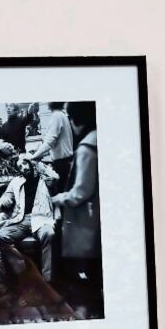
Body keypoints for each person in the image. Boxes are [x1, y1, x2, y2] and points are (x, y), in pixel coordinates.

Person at [0, 157, 57, 281]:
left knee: (49, 234)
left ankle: (47, 280)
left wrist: (37, 162)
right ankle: (23, 269)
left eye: (25, 164)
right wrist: (5, 200)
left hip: (41, 219)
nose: (23, 168)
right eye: (20, 166)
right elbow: (7, 195)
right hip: (21, 220)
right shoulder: (16, 181)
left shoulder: (44, 178)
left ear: (31, 163)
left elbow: (54, 177)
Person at [52, 102, 101, 264]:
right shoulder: (99, 137)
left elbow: (81, 192)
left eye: (71, 119)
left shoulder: (87, 148)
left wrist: (57, 199)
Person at [28, 102, 75, 186]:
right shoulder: (62, 115)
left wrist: (34, 156)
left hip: (61, 163)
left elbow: (50, 142)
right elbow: (56, 142)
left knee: (59, 191)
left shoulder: (57, 116)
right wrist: (41, 152)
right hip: (66, 161)